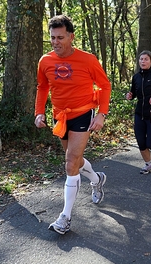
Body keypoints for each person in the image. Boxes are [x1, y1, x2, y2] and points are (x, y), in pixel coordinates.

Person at [34, 15, 112, 234]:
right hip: (60, 116)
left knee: (70, 162)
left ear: (71, 36)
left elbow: (105, 85)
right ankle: (97, 180)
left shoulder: (87, 60)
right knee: (75, 162)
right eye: (52, 38)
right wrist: (39, 112)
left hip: (82, 113)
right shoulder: (45, 61)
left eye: (60, 37)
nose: (55, 42)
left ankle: (65, 217)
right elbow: (42, 87)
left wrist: (101, 115)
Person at [126, 50, 151, 174]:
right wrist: (130, 95)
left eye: (146, 59)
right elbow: (133, 92)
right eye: (141, 59)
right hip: (139, 113)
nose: (143, 61)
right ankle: (148, 164)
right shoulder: (136, 77)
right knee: (141, 141)